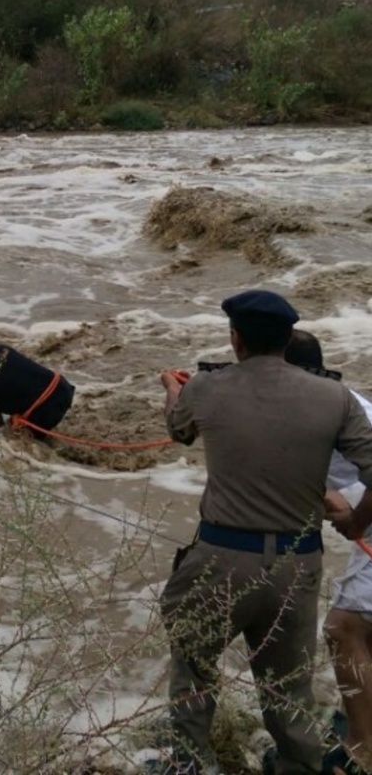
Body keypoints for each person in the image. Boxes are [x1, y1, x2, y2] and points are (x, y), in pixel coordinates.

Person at [154, 290, 372, 775]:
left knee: (194, 670)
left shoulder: (206, 387)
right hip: (297, 564)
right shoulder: (335, 397)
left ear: (236, 339)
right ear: (288, 338)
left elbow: (178, 429)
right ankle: (299, 766)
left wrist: (172, 387)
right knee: (288, 686)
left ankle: (191, 765)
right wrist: (357, 523)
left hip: (220, 558)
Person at [285, 329, 372, 775]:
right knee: (365, 630)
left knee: (343, 628)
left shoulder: (315, 407)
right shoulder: (336, 399)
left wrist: (355, 521)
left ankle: (362, 751)